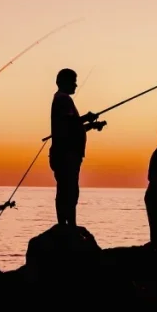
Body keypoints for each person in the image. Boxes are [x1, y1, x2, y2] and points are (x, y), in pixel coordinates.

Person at [48, 68, 106, 226]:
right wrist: (87, 117)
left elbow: (72, 128)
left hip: (66, 154)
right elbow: (71, 123)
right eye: (73, 81)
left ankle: (67, 224)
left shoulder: (62, 99)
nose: (76, 85)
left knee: (68, 190)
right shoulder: (63, 99)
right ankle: (67, 226)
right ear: (63, 82)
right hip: (66, 155)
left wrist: (92, 125)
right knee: (68, 191)